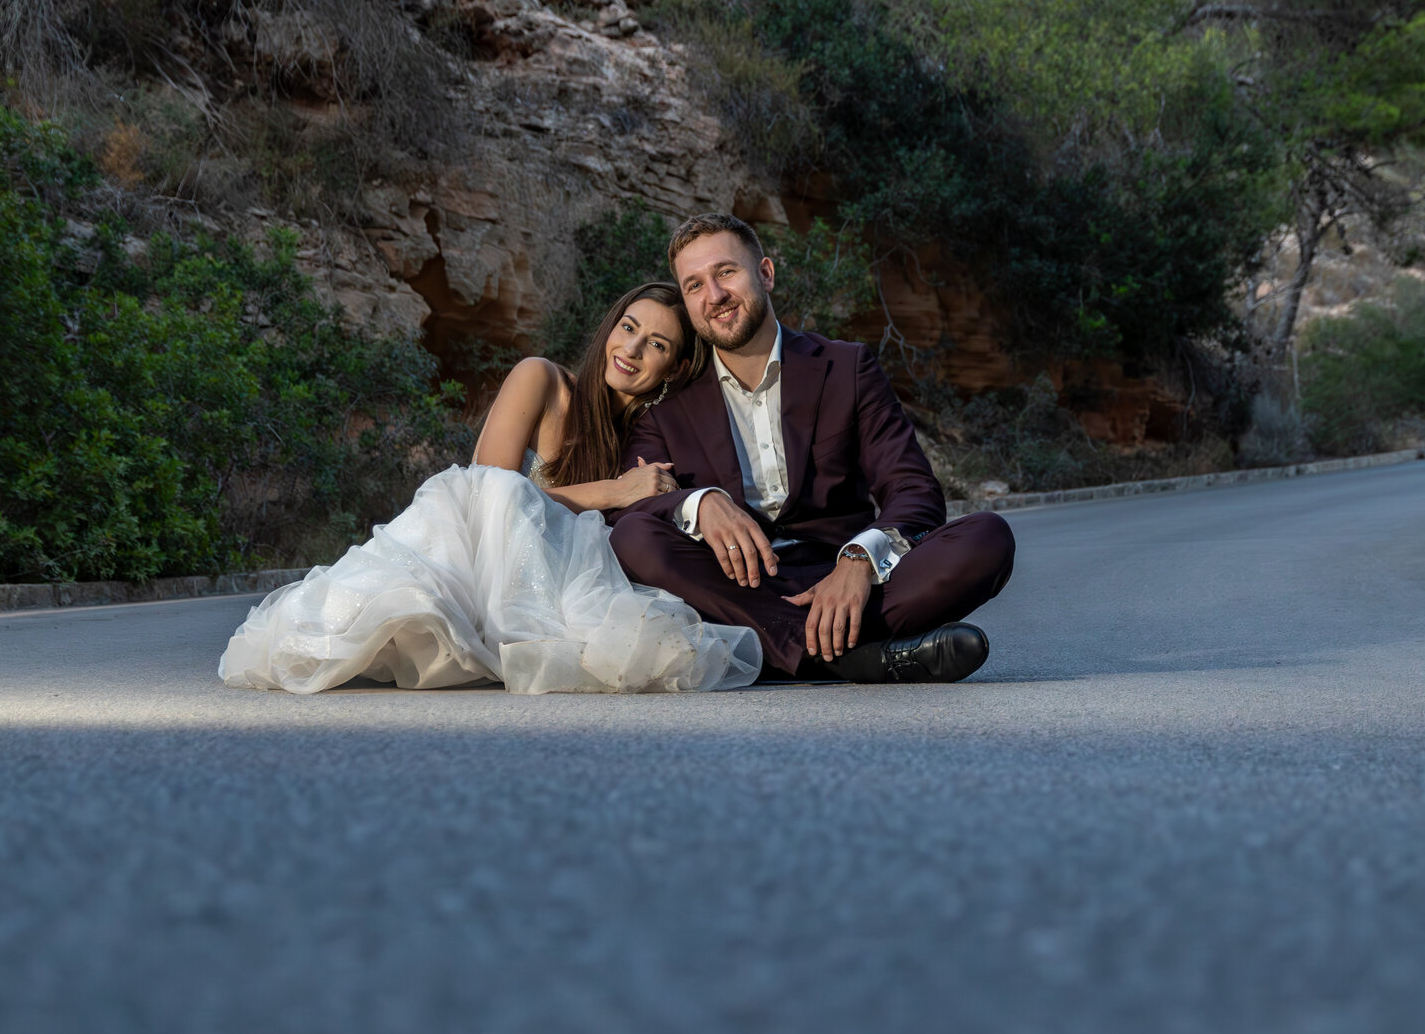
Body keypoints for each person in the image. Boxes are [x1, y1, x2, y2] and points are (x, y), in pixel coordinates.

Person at [219, 282, 762, 694]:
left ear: (674, 366)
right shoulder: (542, 380)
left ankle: (509, 636)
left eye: (657, 344)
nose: (633, 349)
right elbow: (482, 487)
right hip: (473, 553)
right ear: (610, 327)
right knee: (499, 495)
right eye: (628, 328)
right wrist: (613, 492)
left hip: (551, 581)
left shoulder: (648, 438)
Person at [607, 214, 1015, 683]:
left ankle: (779, 648)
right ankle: (850, 655)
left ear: (765, 273)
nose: (714, 296)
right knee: (635, 537)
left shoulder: (846, 367)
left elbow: (914, 490)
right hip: (735, 586)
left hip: (850, 581)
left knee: (988, 538)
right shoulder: (667, 405)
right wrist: (699, 503)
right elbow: (635, 505)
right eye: (694, 285)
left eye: (725, 272)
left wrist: (859, 559)